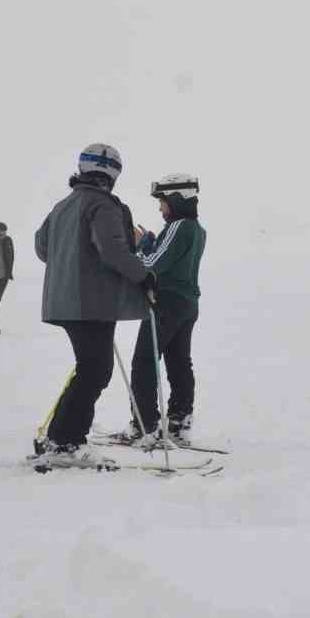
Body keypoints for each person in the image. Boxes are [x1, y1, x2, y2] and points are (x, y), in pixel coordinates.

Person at [33, 144, 152, 468]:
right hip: (91, 303)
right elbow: (112, 251)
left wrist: (72, 257)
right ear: (113, 174)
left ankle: (60, 437)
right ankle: (65, 442)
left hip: (66, 301)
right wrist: (144, 277)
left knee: (90, 369)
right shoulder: (103, 205)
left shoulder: (63, 206)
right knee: (95, 371)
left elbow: (42, 248)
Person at [114, 174, 207, 444]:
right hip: (187, 304)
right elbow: (171, 258)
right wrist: (153, 244)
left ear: (177, 200)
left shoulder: (179, 226)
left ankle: (145, 426)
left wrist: (142, 245)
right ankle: (179, 423)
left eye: (163, 202)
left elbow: (151, 264)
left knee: (143, 362)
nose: (160, 208)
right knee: (179, 363)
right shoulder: (197, 229)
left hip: (167, 303)